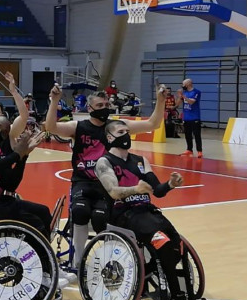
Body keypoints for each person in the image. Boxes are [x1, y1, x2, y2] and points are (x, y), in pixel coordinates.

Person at [44, 83, 165, 268]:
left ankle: (108, 260)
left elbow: (153, 124)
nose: (104, 109)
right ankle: (78, 262)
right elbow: (51, 127)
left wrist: (161, 100)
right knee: (80, 212)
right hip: (83, 181)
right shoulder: (78, 127)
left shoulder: (116, 127)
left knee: (102, 218)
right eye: (99, 106)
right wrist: (54, 101)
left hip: (108, 184)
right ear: (89, 108)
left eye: (106, 105)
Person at [94, 120, 194, 300]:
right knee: (162, 245)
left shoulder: (140, 161)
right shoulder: (104, 162)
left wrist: (170, 184)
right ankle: (177, 298)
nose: (126, 135)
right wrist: (135, 189)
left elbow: (157, 191)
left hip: (147, 213)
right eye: (121, 131)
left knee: (177, 244)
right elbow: (113, 191)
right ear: (109, 137)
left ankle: (151, 271)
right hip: (124, 214)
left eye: (127, 131)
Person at [177, 78, 202, 158]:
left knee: (197, 134)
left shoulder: (196, 92)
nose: (182, 86)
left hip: (195, 117)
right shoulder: (184, 92)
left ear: (188, 84)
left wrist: (183, 96)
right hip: (186, 117)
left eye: (183, 84)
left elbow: (191, 102)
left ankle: (199, 151)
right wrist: (179, 96)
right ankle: (189, 149)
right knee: (187, 134)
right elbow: (178, 104)